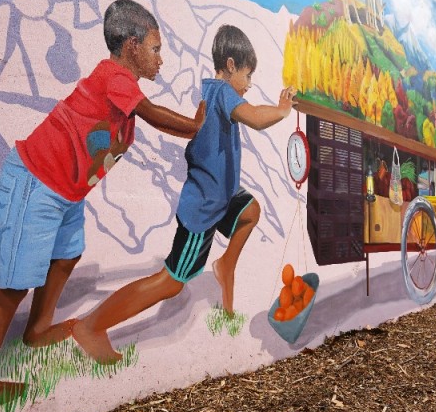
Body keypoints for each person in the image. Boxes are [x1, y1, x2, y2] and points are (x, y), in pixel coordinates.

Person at [0, 0, 206, 410]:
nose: (160, 59)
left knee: (67, 256)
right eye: (155, 49)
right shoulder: (114, 76)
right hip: (36, 181)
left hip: (66, 192)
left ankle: (37, 330)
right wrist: (196, 126)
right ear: (131, 46)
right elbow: (153, 115)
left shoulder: (120, 86)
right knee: (14, 284)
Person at [73, 24, 296, 364]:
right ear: (231, 65)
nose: (249, 85)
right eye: (248, 75)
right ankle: (91, 326)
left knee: (250, 211)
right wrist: (281, 110)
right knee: (171, 282)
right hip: (204, 209)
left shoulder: (214, 93)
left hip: (222, 196)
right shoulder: (222, 93)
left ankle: (225, 266)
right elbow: (254, 117)